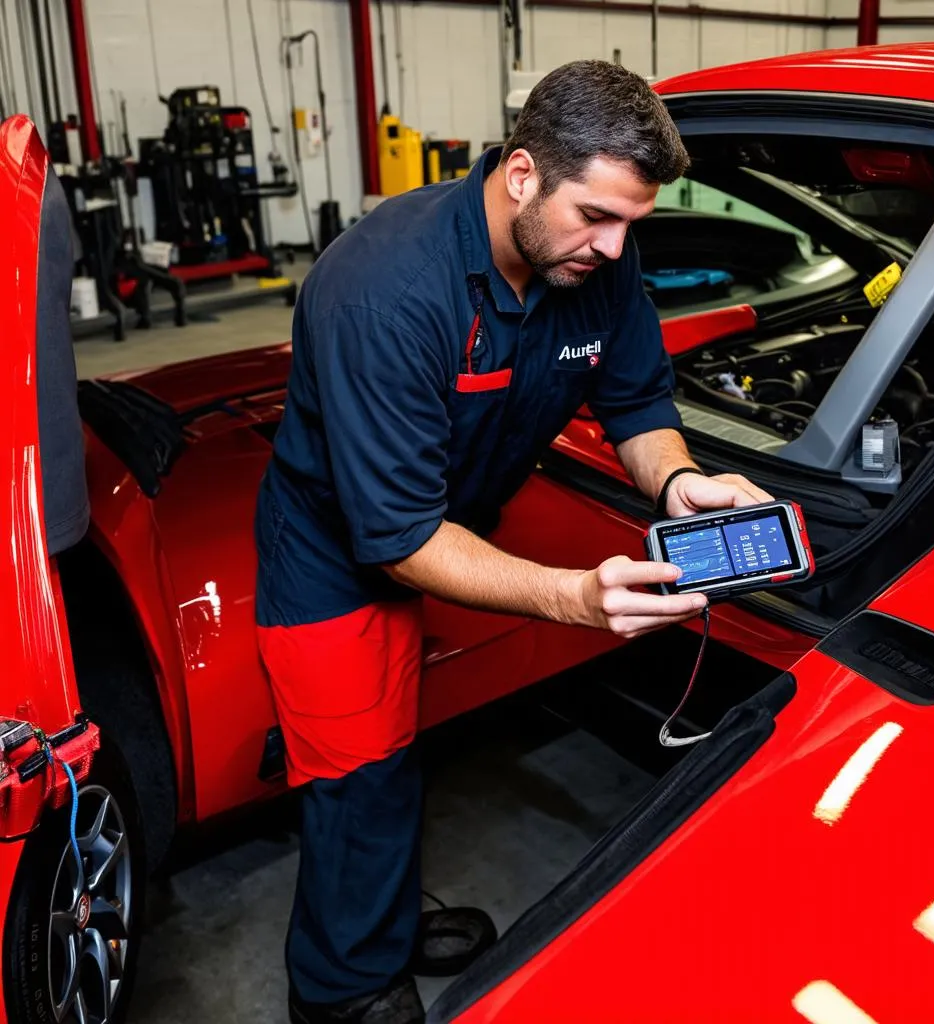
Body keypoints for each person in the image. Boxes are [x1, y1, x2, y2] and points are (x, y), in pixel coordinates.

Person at [255, 58, 772, 1024]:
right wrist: (574, 596)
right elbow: (398, 534)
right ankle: (342, 989)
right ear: (524, 174)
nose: (617, 250)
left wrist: (679, 480)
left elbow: (635, 401)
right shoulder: (385, 291)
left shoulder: (592, 260)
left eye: (632, 223)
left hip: (445, 529)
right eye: (596, 217)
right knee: (355, 774)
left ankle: (381, 922)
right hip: (335, 553)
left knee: (401, 745)